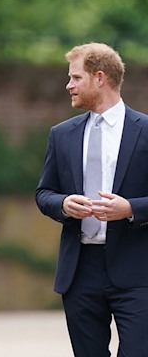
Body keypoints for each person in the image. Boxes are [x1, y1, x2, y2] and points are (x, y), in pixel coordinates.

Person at [36, 42, 148, 356]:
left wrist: (130, 209)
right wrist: (62, 204)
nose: (68, 85)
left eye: (75, 77)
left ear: (99, 78)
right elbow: (43, 193)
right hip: (79, 271)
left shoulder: (146, 131)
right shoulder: (61, 134)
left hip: (138, 271)